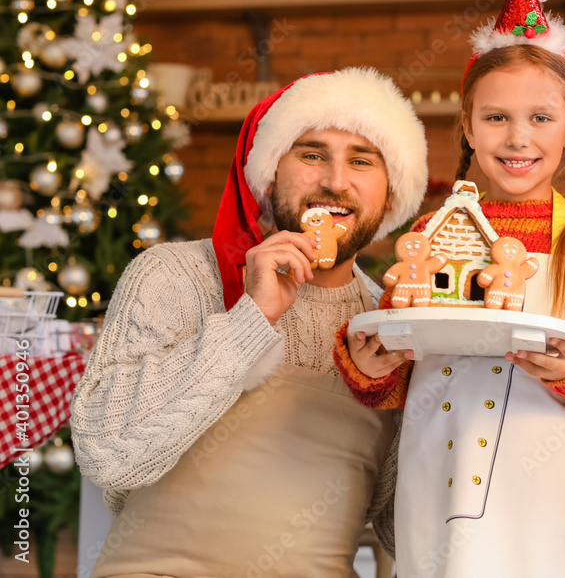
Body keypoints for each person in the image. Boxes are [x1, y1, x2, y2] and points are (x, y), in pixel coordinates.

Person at [333, 0, 565, 577]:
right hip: (438, 480)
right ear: (468, 126)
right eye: (497, 118)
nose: (518, 137)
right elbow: (392, 369)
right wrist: (367, 368)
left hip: (549, 492)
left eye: (541, 118)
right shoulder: (427, 238)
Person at [70, 68, 428, 576]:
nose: (335, 181)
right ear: (267, 174)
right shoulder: (177, 276)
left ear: (391, 196)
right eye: (312, 154)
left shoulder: (396, 326)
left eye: (362, 160)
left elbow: (403, 526)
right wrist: (251, 320)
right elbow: (105, 452)